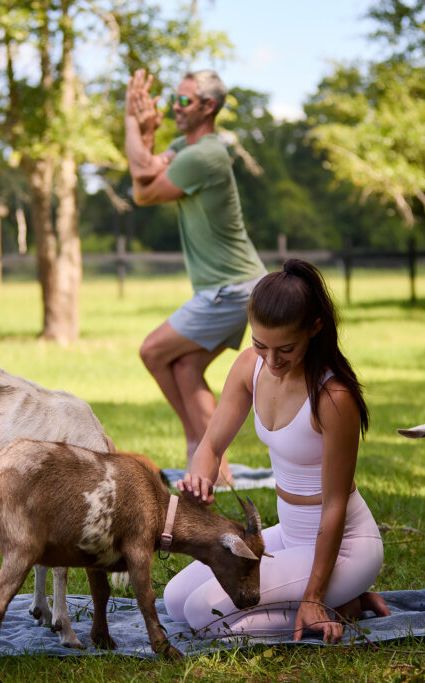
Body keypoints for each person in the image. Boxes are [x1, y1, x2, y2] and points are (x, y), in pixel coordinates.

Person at [165, 259, 390, 642]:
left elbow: (335, 505)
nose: (271, 361)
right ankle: (334, 597)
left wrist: (315, 596)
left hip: (343, 548)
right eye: (260, 344)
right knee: (175, 600)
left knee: (205, 613)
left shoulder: (334, 398)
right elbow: (211, 445)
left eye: (285, 348)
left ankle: (341, 603)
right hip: (290, 534)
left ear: (314, 329)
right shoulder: (250, 367)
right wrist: (200, 477)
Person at [124, 68, 266, 481]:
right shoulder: (183, 149)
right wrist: (148, 135)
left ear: (209, 106)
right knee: (185, 367)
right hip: (232, 288)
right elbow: (141, 185)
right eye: (174, 99)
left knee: (152, 351)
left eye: (184, 101)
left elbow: (145, 183)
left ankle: (198, 447)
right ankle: (213, 466)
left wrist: (132, 122)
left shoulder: (205, 155)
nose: (174, 107)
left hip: (231, 289)